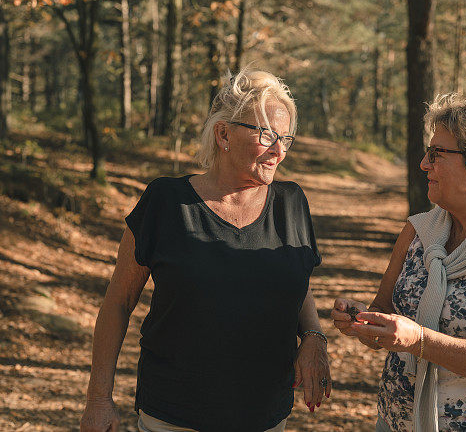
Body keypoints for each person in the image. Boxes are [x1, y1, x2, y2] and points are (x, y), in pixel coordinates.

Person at [80, 70, 331, 432]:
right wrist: (99, 399)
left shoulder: (291, 203)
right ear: (223, 134)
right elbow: (119, 301)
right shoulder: (166, 203)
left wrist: (312, 335)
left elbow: (295, 278)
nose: (279, 151)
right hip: (173, 416)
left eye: (286, 138)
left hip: (266, 417)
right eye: (267, 135)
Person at [332, 92, 466, 432]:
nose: (424, 164)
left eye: (437, 155)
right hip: (394, 423)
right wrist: (362, 320)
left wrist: (418, 339)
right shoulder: (417, 232)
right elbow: (385, 313)